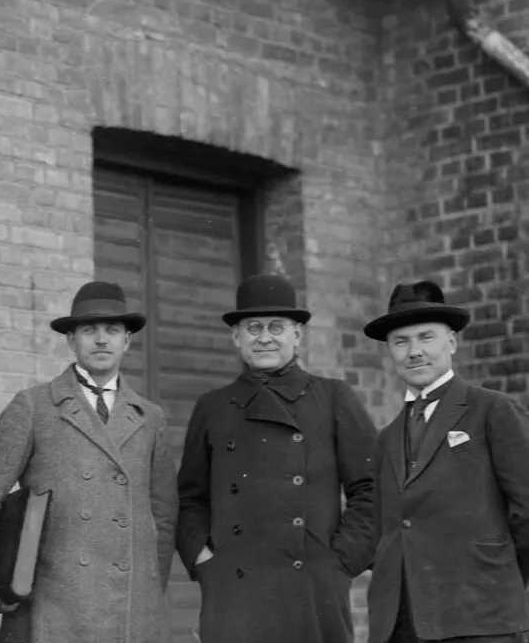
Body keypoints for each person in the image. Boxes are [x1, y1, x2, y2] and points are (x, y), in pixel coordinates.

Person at [176, 273, 377, 643]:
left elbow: (371, 488)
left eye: (276, 327)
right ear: (236, 337)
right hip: (234, 591)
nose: (264, 337)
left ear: (297, 334)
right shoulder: (213, 406)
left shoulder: (333, 398)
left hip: (311, 587)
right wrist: (204, 560)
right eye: (252, 327)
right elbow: (190, 497)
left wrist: (342, 561)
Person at [0, 280, 176, 643]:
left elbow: (163, 517)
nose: (101, 340)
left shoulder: (150, 418)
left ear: (127, 341)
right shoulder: (34, 406)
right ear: (72, 340)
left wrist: (148, 587)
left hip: (131, 608)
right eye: (89, 330)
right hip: (53, 605)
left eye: (112, 330)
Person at [364, 281, 529, 643]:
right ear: (390, 351)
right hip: (403, 621)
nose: (414, 352)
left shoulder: (492, 411)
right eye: (401, 342)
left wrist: (497, 579)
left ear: (451, 342)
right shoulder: (388, 437)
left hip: (480, 617)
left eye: (426, 337)